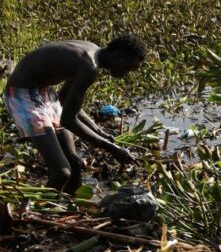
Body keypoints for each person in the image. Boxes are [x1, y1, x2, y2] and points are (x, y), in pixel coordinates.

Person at [2, 35, 144, 196]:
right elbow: (69, 120)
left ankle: (69, 205)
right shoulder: (89, 66)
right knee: (62, 173)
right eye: (127, 68)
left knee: (75, 164)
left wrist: (99, 131)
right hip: (23, 96)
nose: (125, 74)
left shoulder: (92, 50)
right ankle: (42, 211)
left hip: (45, 92)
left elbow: (64, 100)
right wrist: (113, 148)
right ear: (118, 56)